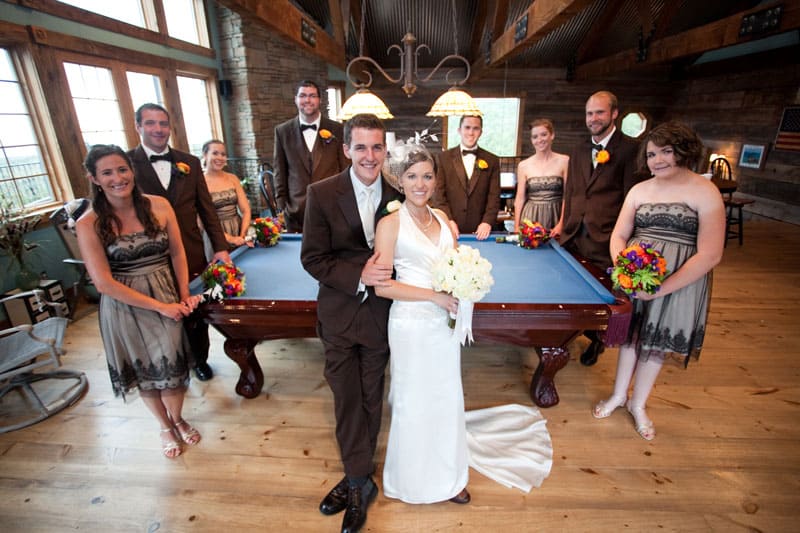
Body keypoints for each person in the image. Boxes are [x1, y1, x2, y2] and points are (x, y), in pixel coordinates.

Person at [300, 114, 402, 533]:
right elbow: (312, 258)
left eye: (377, 147)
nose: (370, 155)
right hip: (340, 313)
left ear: (385, 150)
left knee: (371, 397)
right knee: (346, 397)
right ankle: (360, 480)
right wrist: (358, 275)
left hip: (381, 315)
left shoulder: (399, 195)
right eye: (361, 147)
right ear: (346, 150)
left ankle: (357, 480)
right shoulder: (321, 194)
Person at [592, 121, 725, 440]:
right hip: (636, 274)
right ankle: (618, 395)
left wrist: (660, 287)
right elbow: (620, 235)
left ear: (685, 151)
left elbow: (710, 254)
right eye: (652, 154)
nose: (658, 160)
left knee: (656, 344)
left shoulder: (705, 191)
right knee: (631, 339)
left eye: (666, 151)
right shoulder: (640, 190)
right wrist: (624, 267)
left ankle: (639, 404)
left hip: (678, 280)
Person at [75, 144, 204, 459]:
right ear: (94, 178)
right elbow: (103, 283)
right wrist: (160, 306)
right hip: (125, 306)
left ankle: (177, 417)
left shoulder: (159, 205)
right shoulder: (88, 224)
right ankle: (164, 426)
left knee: (172, 366)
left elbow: (176, 251)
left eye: (122, 169)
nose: (118, 178)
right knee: (145, 370)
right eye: (107, 172)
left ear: (132, 171)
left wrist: (184, 292)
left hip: (166, 291)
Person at [373, 145, 470, 505]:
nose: (420, 183)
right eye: (412, 176)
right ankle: (412, 479)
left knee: (446, 397)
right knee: (414, 399)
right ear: (399, 181)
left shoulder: (444, 219)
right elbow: (382, 286)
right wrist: (434, 297)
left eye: (427, 175)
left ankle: (451, 476)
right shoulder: (390, 224)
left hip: (444, 326)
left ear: (435, 180)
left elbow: (457, 266)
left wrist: (465, 286)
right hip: (411, 324)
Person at [128, 103, 230, 382]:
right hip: (149, 257)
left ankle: (200, 359)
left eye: (163, 123)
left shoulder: (190, 162)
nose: (158, 129)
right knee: (158, 310)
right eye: (150, 123)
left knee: (194, 309)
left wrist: (220, 247)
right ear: (138, 126)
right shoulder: (126, 165)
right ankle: (167, 361)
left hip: (191, 248)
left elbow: (206, 208)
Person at [551, 91, 642, 366]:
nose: (593, 119)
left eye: (600, 113)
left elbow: (632, 198)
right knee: (569, 293)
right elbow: (572, 192)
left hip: (605, 237)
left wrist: (625, 241)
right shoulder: (578, 150)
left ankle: (596, 340)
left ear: (614, 114)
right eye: (590, 113)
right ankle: (564, 336)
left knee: (600, 297)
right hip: (572, 236)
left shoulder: (631, 149)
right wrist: (561, 225)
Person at [274, 80, 349, 232]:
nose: (307, 100)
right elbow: (279, 171)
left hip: (332, 207)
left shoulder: (338, 129)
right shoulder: (282, 131)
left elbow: (345, 167)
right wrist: (282, 206)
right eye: (302, 95)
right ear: (295, 99)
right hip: (296, 211)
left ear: (319, 100)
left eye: (312, 96)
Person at [432, 115, 501, 240]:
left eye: (475, 128)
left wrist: (487, 222)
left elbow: (494, 196)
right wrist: (448, 220)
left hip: (481, 231)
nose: (471, 132)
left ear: (481, 132)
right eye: (467, 127)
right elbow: (438, 195)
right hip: (451, 229)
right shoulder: (443, 158)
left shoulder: (492, 160)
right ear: (459, 130)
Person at [513, 118, 569, 231]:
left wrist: (561, 223)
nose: (539, 140)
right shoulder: (523, 165)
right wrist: (516, 225)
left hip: (555, 215)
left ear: (552, 135)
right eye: (535, 137)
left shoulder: (565, 161)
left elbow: (567, 196)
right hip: (530, 217)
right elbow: (520, 198)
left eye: (543, 134)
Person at [200, 139, 252, 259]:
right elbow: (203, 222)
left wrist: (242, 235)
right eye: (215, 153)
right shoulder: (199, 182)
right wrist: (230, 239)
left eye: (223, 154)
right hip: (215, 235)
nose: (220, 157)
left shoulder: (232, 178)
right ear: (205, 155)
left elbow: (246, 210)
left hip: (238, 229)